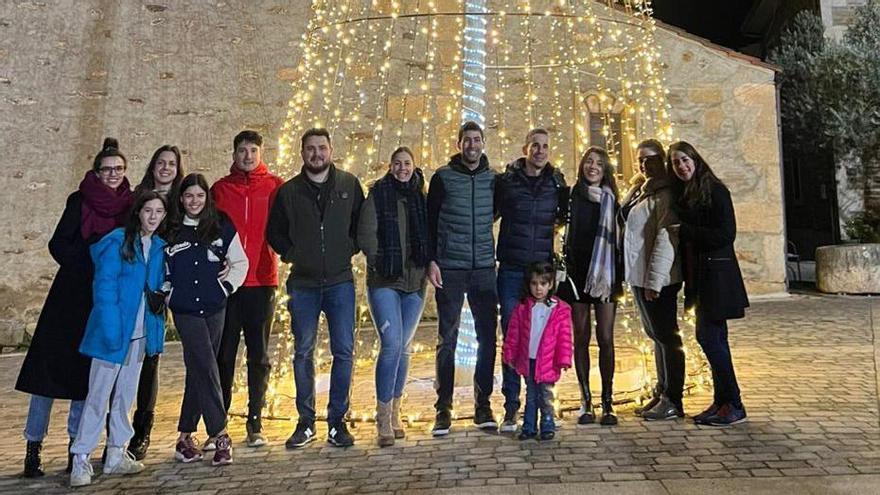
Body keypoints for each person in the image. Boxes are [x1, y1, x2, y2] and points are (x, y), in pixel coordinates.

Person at [16, 138, 133, 478]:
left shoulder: (129, 206)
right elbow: (58, 243)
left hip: (102, 302)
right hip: (69, 297)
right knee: (46, 378)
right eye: (107, 169)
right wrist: (89, 265)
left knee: (86, 377)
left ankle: (75, 448)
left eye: (119, 169)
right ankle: (32, 447)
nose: (113, 174)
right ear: (97, 172)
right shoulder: (79, 201)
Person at [267, 128, 365, 448]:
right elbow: (275, 232)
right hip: (304, 283)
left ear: (331, 150)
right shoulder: (289, 191)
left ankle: (337, 421)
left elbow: (360, 225)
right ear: (302, 153)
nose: (317, 154)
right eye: (310, 149)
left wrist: (346, 248)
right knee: (303, 352)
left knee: (344, 351)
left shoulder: (349, 185)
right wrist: (294, 254)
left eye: (322, 148)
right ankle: (306, 421)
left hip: (340, 281)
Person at [69, 191, 168, 487]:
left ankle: (116, 452)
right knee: (98, 397)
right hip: (112, 336)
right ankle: (81, 456)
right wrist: (112, 330)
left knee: (125, 396)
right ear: (138, 212)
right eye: (148, 210)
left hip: (140, 335)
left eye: (158, 212)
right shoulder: (117, 243)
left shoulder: (160, 248)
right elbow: (105, 289)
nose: (152, 217)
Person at [165, 173, 249, 465]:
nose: (194, 201)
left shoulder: (221, 225)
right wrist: (167, 295)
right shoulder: (171, 230)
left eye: (199, 196)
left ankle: (185, 437)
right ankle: (221, 434)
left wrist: (226, 287)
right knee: (206, 365)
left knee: (199, 368)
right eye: (189, 196)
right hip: (186, 310)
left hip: (215, 307)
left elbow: (240, 262)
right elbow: (161, 270)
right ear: (181, 199)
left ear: (207, 198)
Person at [667, 141, 749, 426]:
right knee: (716, 340)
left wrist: (687, 232)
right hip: (702, 278)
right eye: (676, 163)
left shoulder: (715, 190)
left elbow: (727, 234)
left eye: (685, 160)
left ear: (696, 160)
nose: (682, 166)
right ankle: (723, 401)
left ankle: (735, 403)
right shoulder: (688, 194)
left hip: (717, 278)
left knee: (708, 338)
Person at [426, 121, 499, 436]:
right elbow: (430, 220)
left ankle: (483, 405)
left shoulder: (494, 180)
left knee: (488, 339)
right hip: (451, 268)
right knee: (448, 339)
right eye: (467, 140)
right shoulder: (443, 178)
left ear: (483, 143)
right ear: (459, 144)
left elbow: (495, 213)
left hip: (483, 268)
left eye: (477, 140)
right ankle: (443, 407)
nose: (472, 145)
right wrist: (432, 260)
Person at [212, 130, 284, 448]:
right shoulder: (220, 189)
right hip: (227, 285)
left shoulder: (275, 187)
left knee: (259, 355)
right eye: (242, 150)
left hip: (261, 280)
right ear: (234, 153)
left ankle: (255, 421)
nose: (247, 156)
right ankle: (219, 423)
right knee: (224, 355)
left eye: (253, 150)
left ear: (261, 152)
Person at [494, 128, 567, 433]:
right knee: (513, 336)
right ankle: (512, 407)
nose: (540, 150)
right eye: (534, 146)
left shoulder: (556, 182)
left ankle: (542, 406)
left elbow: (565, 218)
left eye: (545, 146)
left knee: (541, 339)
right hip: (512, 269)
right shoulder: (507, 181)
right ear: (525, 149)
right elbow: (490, 214)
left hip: (541, 273)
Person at [357, 147, 428, 447]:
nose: (402, 169)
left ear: (413, 166)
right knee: (392, 345)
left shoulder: (420, 197)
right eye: (397, 164)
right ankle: (382, 416)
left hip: (415, 282)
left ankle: (397, 411)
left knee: (406, 348)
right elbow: (366, 234)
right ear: (390, 166)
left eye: (407, 164)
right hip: (385, 281)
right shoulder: (378, 194)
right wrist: (381, 261)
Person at [620, 139, 684, 421]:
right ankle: (662, 392)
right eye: (640, 160)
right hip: (640, 275)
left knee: (667, 336)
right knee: (655, 335)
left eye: (651, 159)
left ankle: (673, 399)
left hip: (658, 278)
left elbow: (666, 238)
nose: (644, 165)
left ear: (662, 160)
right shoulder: (641, 189)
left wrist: (655, 281)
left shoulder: (665, 194)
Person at [557, 146, 622, 426]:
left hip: (606, 275)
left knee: (605, 337)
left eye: (598, 163)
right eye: (588, 162)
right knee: (580, 337)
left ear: (605, 169)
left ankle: (608, 401)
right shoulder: (573, 195)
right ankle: (586, 401)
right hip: (578, 273)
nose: (592, 167)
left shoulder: (612, 200)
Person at [127, 144, 184, 460]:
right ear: (152, 166)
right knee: (125, 362)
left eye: (172, 164)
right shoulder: (138, 198)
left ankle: (142, 431)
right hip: (135, 286)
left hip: (163, 288)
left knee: (152, 357)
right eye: (161, 162)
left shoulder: (181, 202)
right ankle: (118, 429)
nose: (166, 168)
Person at [502, 262, 572, 441]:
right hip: (529, 359)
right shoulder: (523, 308)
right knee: (531, 394)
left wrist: (564, 358)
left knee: (546, 395)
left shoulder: (560, 309)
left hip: (548, 361)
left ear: (550, 285)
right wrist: (509, 353)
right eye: (534, 284)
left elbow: (564, 336)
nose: (538, 288)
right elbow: (513, 333)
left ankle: (547, 424)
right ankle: (529, 426)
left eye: (543, 284)